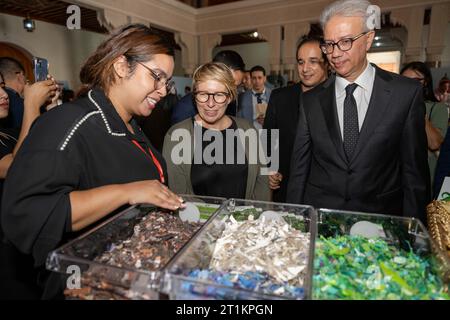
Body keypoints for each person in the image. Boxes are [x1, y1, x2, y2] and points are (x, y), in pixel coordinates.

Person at [1, 24, 184, 299]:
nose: (163, 91)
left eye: (166, 82)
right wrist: (127, 192)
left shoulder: (130, 124)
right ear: (122, 66)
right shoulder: (69, 122)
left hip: (128, 276)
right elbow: (27, 212)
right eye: (156, 77)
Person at [287, 0, 429, 222]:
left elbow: (414, 175)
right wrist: (294, 222)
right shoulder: (311, 100)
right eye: (329, 44)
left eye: (345, 42)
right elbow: (299, 171)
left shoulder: (405, 93)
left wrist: (415, 236)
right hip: (323, 219)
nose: (335, 53)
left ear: (369, 39)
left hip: (381, 220)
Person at [163, 62, 270, 200]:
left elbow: (262, 181)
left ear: (230, 97)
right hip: (199, 221)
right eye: (203, 94)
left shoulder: (247, 129)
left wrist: (259, 215)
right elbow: (179, 195)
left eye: (219, 95)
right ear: (194, 96)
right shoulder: (177, 136)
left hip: (244, 219)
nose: (210, 103)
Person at [0, 71, 58, 299]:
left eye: (2, 85)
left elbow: (43, 148)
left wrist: (50, 107)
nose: (3, 94)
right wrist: (31, 105)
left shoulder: (7, 133)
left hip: (23, 243)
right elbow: (17, 167)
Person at [264, 36, 329, 202]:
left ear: (327, 63)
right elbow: (268, 139)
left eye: (313, 61)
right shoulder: (280, 97)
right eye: (301, 62)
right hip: (285, 186)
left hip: (325, 192)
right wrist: (270, 170)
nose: (305, 68)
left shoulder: (338, 98)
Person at [401, 62, 448, 196]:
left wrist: (417, 107)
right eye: (404, 80)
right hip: (397, 175)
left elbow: (435, 143)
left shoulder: (436, 108)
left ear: (425, 82)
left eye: (415, 81)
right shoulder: (394, 105)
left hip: (424, 176)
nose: (408, 85)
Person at [170, 50, 245, 125]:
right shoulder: (184, 111)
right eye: (229, 83)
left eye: (236, 87)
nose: (232, 92)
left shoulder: (231, 102)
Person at [0, 57, 27, 129]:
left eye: (2, 85)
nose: (5, 95)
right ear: (20, 76)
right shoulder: (26, 105)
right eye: (26, 78)